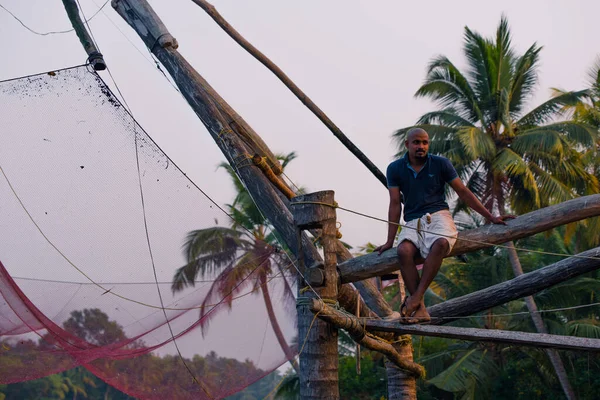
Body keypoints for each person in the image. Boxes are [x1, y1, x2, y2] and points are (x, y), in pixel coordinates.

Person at [375, 128, 511, 323]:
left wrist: (491, 217)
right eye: (416, 142)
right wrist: (390, 240)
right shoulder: (395, 169)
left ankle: (414, 299)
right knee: (403, 251)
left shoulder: (440, 164)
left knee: (440, 244)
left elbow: (463, 192)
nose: (421, 146)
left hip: (439, 216)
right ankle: (420, 308)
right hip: (413, 220)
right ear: (407, 145)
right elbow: (395, 203)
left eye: (424, 142)